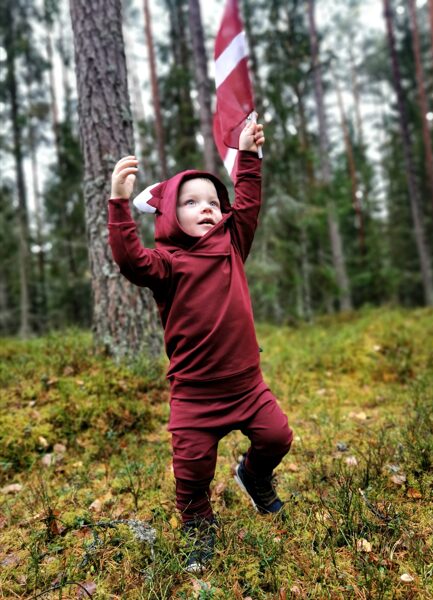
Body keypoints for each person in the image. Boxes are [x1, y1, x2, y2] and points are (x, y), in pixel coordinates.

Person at [108, 120, 293, 572]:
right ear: (169, 214)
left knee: (277, 437)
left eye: (213, 201)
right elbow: (129, 259)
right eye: (191, 202)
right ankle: (198, 525)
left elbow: (247, 203)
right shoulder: (165, 264)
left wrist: (248, 156)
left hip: (247, 385)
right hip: (194, 394)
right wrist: (118, 201)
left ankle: (253, 476)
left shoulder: (233, 243)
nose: (206, 208)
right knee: (191, 474)